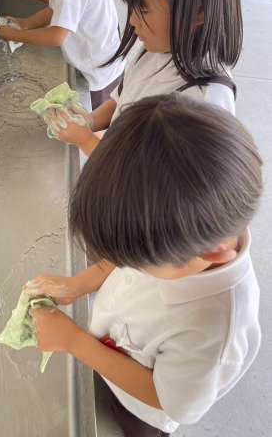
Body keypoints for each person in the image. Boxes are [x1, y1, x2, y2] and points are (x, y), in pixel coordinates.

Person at [26, 94, 262, 436]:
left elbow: (170, 401)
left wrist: (76, 343)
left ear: (212, 252)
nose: (126, 264)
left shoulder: (214, 329)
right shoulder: (182, 240)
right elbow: (130, 255)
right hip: (112, 344)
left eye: (138, 261)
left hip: (141, 412)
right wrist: (80, 284)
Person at [51, 0, 242, 154]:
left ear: (197, 12)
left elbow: (136, 174)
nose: (132, 20)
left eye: (143, 8)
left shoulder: (204, 105)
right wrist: (87, 120)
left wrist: (84, 139)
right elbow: (121, 101)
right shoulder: (157, 47)